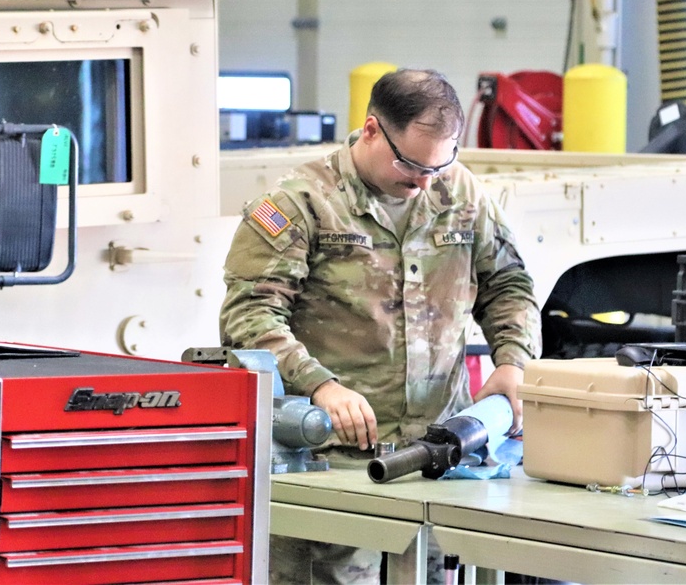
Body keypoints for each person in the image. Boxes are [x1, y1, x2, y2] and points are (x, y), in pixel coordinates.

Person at [219, 67, 542, 584]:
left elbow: (508, 285)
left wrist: (513, 361)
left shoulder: (461, 194)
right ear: (371, 130)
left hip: (441, 463)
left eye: (439, 166)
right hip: (334, 467)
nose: (422, 184)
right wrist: (319, 385)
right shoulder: (301, 202)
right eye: (411, 164)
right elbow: (248, 316)